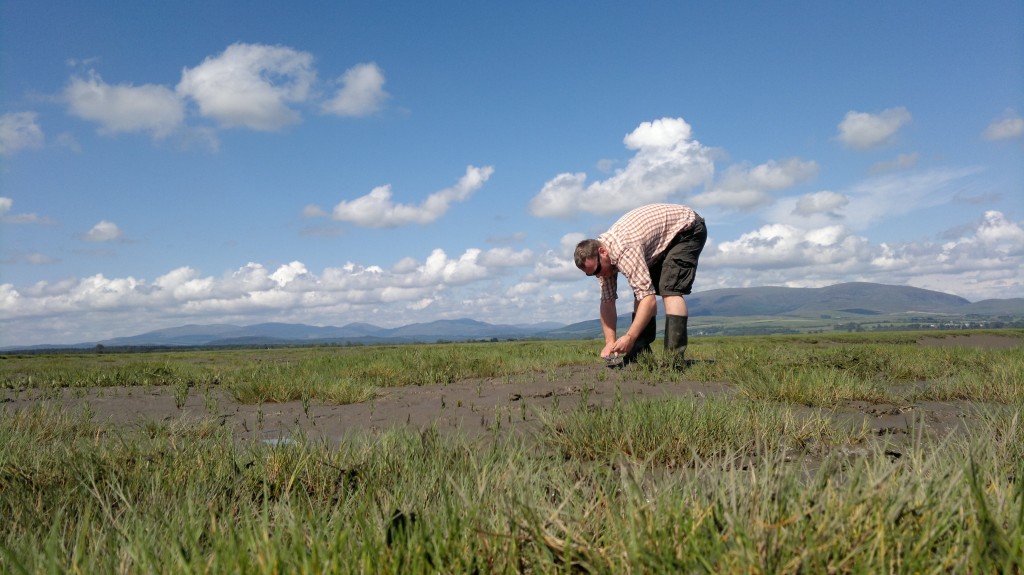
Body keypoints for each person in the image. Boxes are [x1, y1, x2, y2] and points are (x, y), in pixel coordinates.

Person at [574, 203, 707, 367]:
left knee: (670, 290)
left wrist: (629, 337)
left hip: (686, 230)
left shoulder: (626, 250)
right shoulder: (603, 262)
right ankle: (639, 353)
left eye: (597, 270)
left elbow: (649, 299)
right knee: (640, 292)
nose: (598, 275)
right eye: (591, 274)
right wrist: (610, 341)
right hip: (657, 241)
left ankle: (674, 361)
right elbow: (607, 301)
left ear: (602, 252)